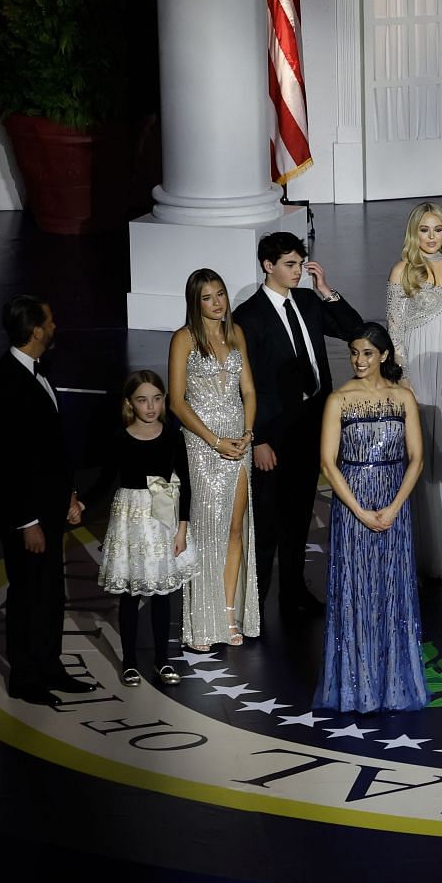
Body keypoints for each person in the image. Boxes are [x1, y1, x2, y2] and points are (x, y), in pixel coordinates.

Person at [234, 232, 363, 618]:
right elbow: (244, 385)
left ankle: (293, 593)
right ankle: (255, 603)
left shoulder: (308, 301)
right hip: (273, 432)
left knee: (298, 516)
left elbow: (353, 330)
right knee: (268, 522)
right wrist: (258, 439)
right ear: (267, 266)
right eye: (289, 264)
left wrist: (326, 290)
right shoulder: (247, 317)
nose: (297, 271)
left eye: (300, 263)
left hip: (311, 425)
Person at [313, 324, 428, 713]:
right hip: (353, 505)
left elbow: (417, 459)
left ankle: (393, 683)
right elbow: (328, 464)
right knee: (356, 592)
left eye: (366, 353)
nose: (359, 361)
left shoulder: (403, 398)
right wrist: (360, 511)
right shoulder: (339, 400)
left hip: (395, 503)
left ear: (384, 355)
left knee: (392, 591)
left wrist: (394, 507)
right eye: (354, 353)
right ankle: (356, 686)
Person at [0, 294, 89, 703]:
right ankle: (26, 677)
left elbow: (50, 447)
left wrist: (69, 494)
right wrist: (27, 521)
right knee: (27, 593)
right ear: (34, 331)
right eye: (50, 320)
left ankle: (50, 666)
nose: (55, 326)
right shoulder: (6, 382)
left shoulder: (37, 370)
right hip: (24, 514)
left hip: (48, 505)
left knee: (48, 592)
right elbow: (9, 460)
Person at [168, 269, 259, 652]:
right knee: (207, 533)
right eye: (208, 297)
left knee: (235, 530)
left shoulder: (236, 334)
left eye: (220, 294)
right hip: (203, 446)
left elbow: (249, 391)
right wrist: (215, 440)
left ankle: (228, 613)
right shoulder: (183, 339)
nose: (217, 302)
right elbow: (176, 400)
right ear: (195, 302)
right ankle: (202, 622)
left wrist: (247, 434)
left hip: (239, 445)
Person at [384, 202, 442, 583]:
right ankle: (428, 551)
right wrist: (403, 376)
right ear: (414, 234)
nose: (432, 236)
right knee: (423, 457)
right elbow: (394, 329)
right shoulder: (402, 271)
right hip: (420, 368)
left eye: (437, 229)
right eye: (425, 230)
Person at [87, 371, 194, 687]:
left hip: (162, 518)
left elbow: (186, 484)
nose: (150, 407)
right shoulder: (119, 438)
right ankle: (130, 662)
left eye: (157, 399)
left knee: (163, 593)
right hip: (130, 519)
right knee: (131, 593)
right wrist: (79, 503)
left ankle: (163, 660)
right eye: (142, 400)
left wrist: (182, 530)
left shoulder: (174, 436)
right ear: (130, 404)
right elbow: (105, 482)